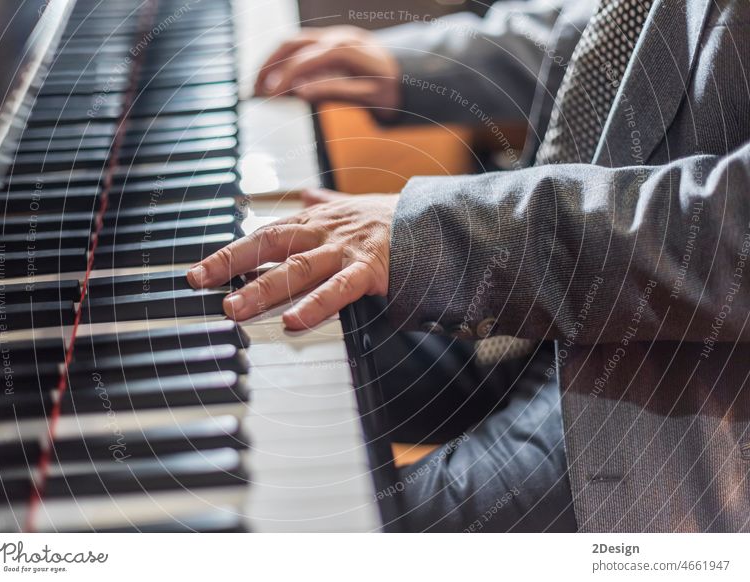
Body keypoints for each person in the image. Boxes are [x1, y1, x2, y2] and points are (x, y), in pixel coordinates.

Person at [187, 0, 750, 532]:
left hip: (691, 397)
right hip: (555, 299)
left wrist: (438, 233)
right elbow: (634, 33)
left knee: (306, 522)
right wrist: (424, 64)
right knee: (240, 330)